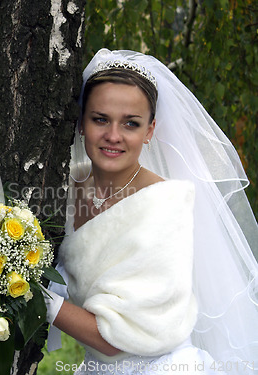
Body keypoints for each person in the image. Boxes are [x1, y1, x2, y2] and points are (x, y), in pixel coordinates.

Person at [44, 49, 258, 374]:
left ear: (150, 130)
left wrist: (24, 290)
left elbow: (118, 339)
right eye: (100, 118)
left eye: (131, 123)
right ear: (82, 122)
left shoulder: (166, 204)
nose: (113, 136)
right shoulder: (63, 186)